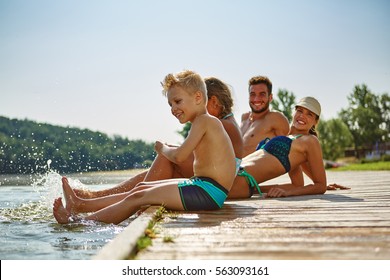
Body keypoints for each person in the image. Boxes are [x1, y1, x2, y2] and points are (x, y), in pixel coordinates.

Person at [52, 70, 236, 224]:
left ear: (197, 97)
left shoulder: (204, 121)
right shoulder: (202, 122)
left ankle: (80, 223)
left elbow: (179, 156)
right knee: (141, 188)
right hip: (203, 186)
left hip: (208, 192)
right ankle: (80, 204)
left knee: (138, 197)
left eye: (178, 101)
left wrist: (163, 148)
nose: (173, 108)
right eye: (170, 104)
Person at [74, 77, 243, 199]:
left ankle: (119, 198)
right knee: (164, 166)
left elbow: (182, 156)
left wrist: (165, 149)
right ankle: (106, 197)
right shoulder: (226, 122)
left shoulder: (219, 124)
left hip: (217, 183)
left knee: (166, 157)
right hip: (216, 179)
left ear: (211, 101)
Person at [228, 96, 327, 199]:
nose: (302, 116)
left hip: (239, 179)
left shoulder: (310, 141)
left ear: (315, 121)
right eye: (300, 111)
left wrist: (287, 193)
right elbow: (297, 184)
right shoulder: (291, 139)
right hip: (233, 171)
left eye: (309, 114)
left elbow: (320, 185)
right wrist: (257, 189)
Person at [240, 76, 289, 156]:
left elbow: (291, 153)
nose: (256, 99)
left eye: (262, 94)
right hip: (235, 167)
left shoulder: (276, 118)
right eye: (253, 94)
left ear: (270, 97)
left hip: (259, 168)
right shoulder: (244, 118)